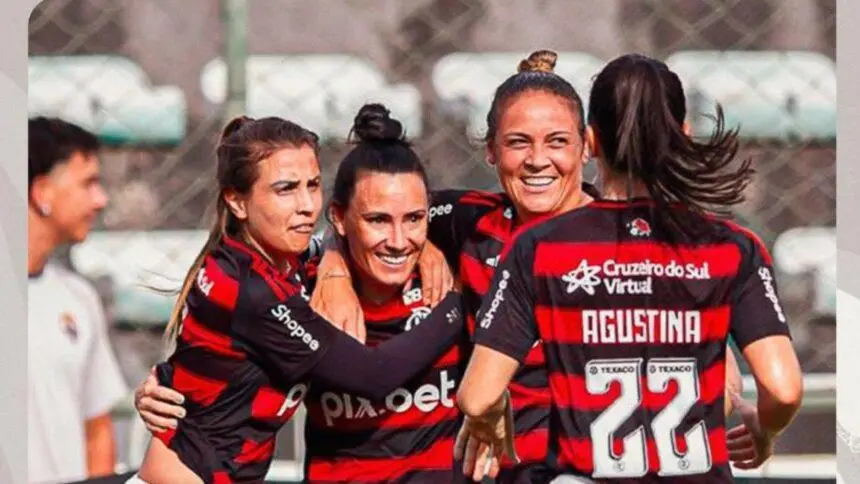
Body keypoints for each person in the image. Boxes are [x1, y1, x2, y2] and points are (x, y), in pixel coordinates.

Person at [136, 51, 758, 483]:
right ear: (490, 151)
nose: (538, 161)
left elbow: (702, 343)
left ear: (587, 145)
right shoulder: (464, 222)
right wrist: (329, 262)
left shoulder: (641, 243)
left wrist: (717, 351)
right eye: (518, 143)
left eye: (558, 142)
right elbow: (368, 214)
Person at [453, 53, 804, 483]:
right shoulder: (731, 247)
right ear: (685, 135)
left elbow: (477, 396)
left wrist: (487, 416)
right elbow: (784, 390)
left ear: (591, 140)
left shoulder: (540, 248)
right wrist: (765, 430)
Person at [134, 115, 466, 484]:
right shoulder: (251, 289)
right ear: (237, 202)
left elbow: (356, 225)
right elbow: (371, 377)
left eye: (312, 185)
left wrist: (340, 260)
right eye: (285, 189)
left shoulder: (281, 264)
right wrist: (463, 305)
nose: (307, 205)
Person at [28, 116, 128, 483]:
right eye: (88, 183)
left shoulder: (79, 297)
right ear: (41, 192)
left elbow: (97, 427)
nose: (101, 200)